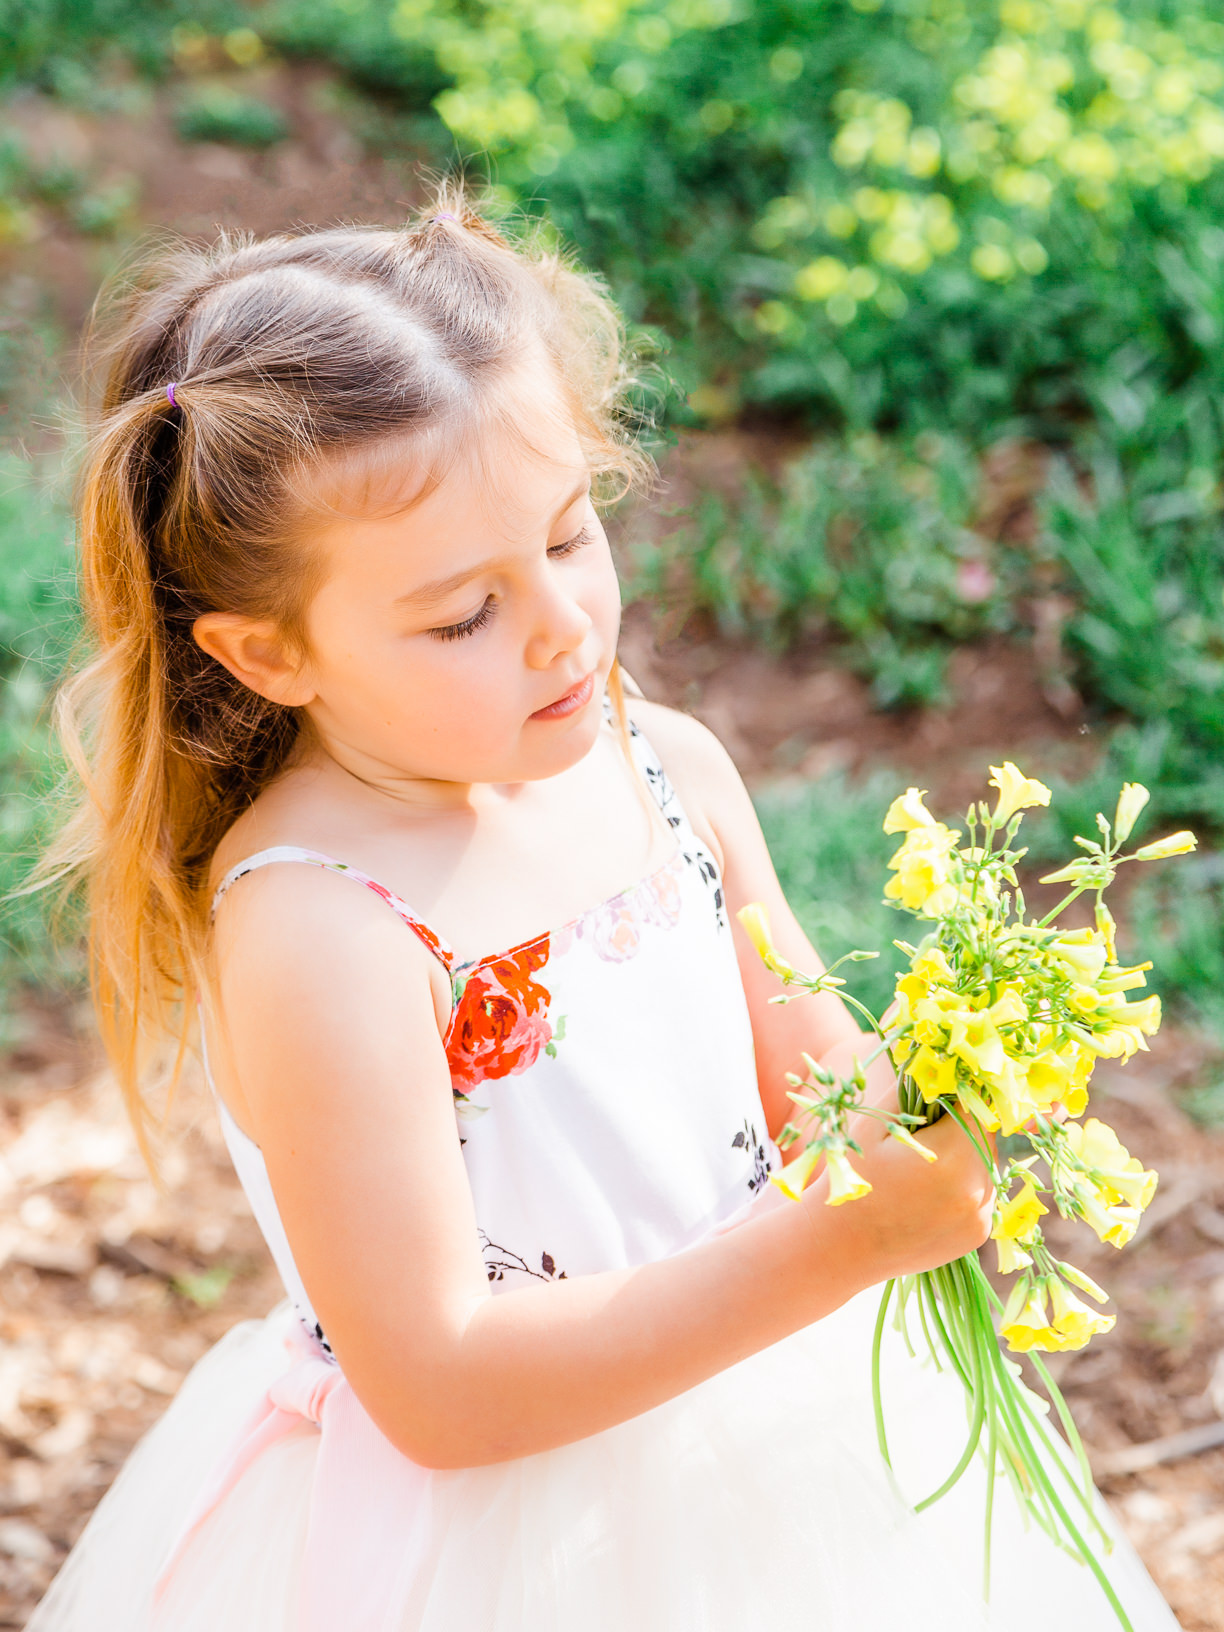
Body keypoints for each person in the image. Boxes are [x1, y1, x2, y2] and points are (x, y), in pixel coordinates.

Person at [27, 189, 1177, 1632]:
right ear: (271, 652)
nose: (565, 623)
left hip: (802, 1444)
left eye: (571, 537)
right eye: (463, 616)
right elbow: (441, 1384)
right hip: (513, 1550)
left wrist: (955, 1091)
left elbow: (829, 1091)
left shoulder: (667, 766)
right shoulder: (325, 927)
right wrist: (839, 1245)